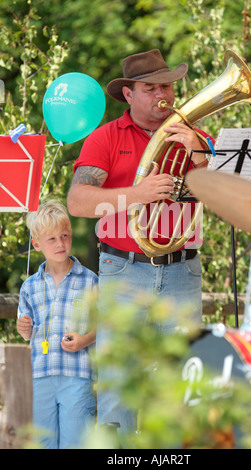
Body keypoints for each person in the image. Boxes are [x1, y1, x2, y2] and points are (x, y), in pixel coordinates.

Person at [67, 49, 214, 435]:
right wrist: (136, 194)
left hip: (183, 269)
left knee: (186, 382)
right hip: (124, 270)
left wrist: (202, 159)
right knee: (118, 386)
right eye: (150, 87)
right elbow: (78, 202)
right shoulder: (104, 139)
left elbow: (235, 200)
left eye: (167, 85)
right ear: (129, 95)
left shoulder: (196, 138)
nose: (162, 94)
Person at [17, 199, 98, 449]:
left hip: (78, 376)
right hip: (40, 375)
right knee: (42, 442)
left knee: (76, 441)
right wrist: (24, 328)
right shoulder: (29, 286)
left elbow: (104, 325)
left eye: (64, 235)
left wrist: (84, 340)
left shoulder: (90, 280)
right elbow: (25, 332)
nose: (60, 243)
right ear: (36, 244)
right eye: (51, 239)